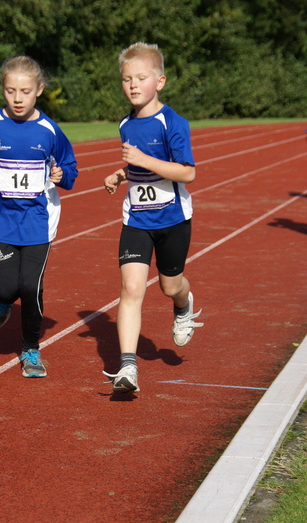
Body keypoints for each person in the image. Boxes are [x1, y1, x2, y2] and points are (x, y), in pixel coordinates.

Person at [0, 55, 78, 378]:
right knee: (10, 289)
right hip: (2, 222)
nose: (17, 98)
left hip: (39, 223)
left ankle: (31, 349)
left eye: (25, 91)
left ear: (38, 90)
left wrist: (60, 175)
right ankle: (1, 302)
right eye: (11, 90)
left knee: (30, 286)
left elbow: (70, 168)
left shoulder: (49, 131)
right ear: (3, 90)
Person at [103, 42, 202, 393]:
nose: (132, 85)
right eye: (127, 79)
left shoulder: (173, 123)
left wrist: (142, 161)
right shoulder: (125, 124)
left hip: (173, 220)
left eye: (140, 78)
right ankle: (127, 368)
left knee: (169, 285)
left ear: (159, 82)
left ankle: (183, 304)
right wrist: (121, 173)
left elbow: (186, 173)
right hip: (137, 221)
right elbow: (138, 164)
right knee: (131, 289)